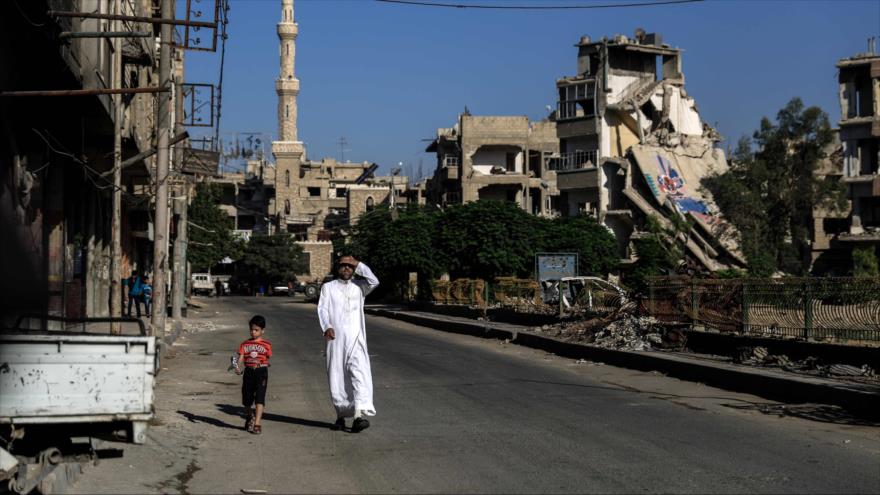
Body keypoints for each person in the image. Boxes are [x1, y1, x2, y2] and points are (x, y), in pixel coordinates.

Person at [317, 255, 379, 433]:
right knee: (336, 377)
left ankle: (359, 416)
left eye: (349, 266)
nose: (346, 269)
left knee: (360, 374)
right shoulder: (328, 288)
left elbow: (374, 280)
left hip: (355, 338)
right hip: (335, 339)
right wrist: (327, 326)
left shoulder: (360, 287)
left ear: (354, 269)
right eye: (343, 265)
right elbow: (322, 308)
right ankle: (341, 416)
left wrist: (358, 263)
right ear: (337, 268)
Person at [235, 315, 272, 434]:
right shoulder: (244, 344)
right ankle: (249, 416)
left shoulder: (266, 345)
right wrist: (238, 366)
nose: (253, 332)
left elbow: (267, 359)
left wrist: (263, 364)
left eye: (256, 330)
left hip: (261, 373)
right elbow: (241, 357)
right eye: (251, 329)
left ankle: (257, 423)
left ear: (262, 330)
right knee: (246, 400)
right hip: (249, 372)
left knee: (260, 398)